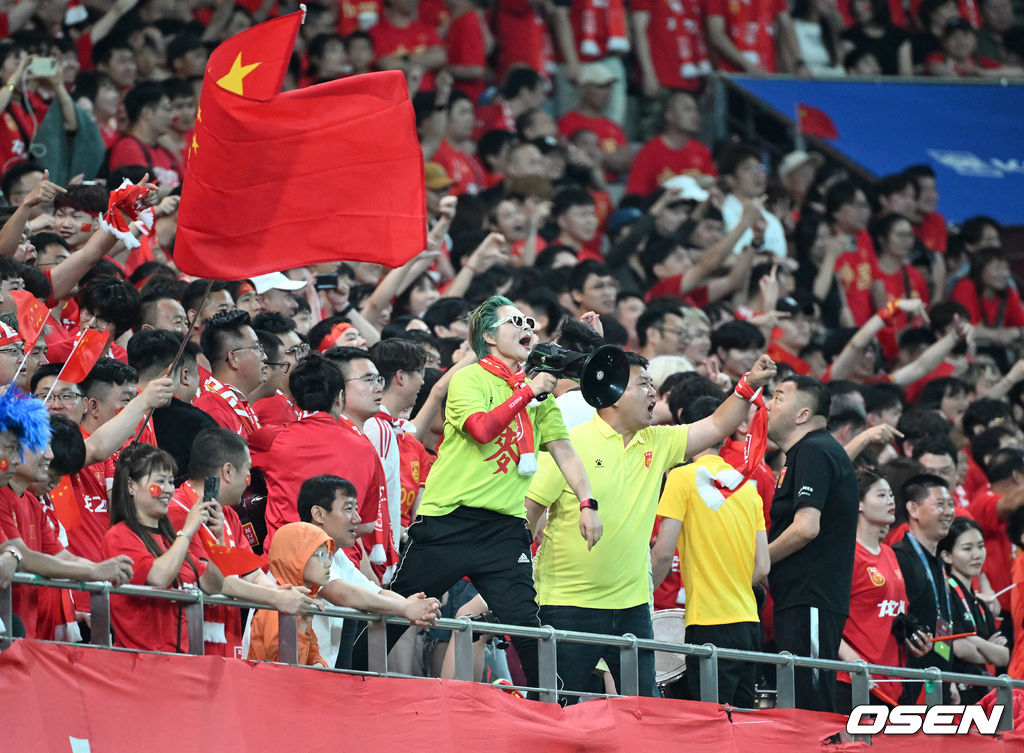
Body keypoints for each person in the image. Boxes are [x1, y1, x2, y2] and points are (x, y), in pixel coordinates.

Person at [380, 296, 596, 692]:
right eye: (515, 321)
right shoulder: (470, 378)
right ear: (489, 336)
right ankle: (346, 679)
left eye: (529, 319)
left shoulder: (537, 393)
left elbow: (565, 452)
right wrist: (528, 393)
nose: (527, 326)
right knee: (396, 611)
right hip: (449, 520)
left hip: (504, 528)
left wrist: (587, 501)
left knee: (528, 628)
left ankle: (555, 708)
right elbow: (481, 429)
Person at [649, 393, 773, 706]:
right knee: (743, 724)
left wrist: (641, 595)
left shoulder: (681, 477)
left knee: (710, 722)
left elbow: (663, 553)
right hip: (748, 624)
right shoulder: (747, 488)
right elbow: (762, 568)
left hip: (708, 624)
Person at [168, 428, 317, 658]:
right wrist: (277, 599)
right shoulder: (176, 513)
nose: (249, 481)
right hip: (186, 646)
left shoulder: (229, 516)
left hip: (228, 645)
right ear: (228, 471)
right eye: (247, 471)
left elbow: (251, 574)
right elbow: (216, 583)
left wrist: (283, 590)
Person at [766, 374, 859, 713]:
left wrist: (757, 563)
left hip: (811, 598)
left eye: (777, 397)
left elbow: (806, 527)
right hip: (801, 598)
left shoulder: (814, 450)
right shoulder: (809, 451)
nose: (767, 404)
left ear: (802, 415)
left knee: (811, 705)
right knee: (800, 699)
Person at [300, 474, 441, 669]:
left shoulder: (337, 556)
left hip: (315, 670)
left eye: (356, 509)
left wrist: (416, 606)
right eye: (349, 509)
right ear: (318, 514)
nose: (358, 519)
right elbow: (342, 594)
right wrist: (404, 609)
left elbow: (376, 591)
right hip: (285, 670)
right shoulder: (302, 544)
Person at [101, 443, 224, 653]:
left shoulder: (170, 541)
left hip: (180, 662)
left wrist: (217, 540)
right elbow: (159, 577)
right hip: (141, 662)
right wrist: (188, 530)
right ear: (131, 486)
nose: (168, 490)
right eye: (160, 482)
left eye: (170, 482)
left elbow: (214, 585)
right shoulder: (119, 536)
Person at [836, 469, 931, 712]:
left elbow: (893, 615)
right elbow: (827, 622)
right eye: (881, 495)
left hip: (894, 683)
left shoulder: (890, 553)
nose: (890, 501)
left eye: (891, 495)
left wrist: (914, 639)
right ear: (858, 503)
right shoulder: (846, 554)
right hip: (855, 683)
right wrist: (855, 663)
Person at [891, 473, 956, 701]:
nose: (949, 512)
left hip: (939, 677)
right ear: (913, 509)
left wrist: (950, 678)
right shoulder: (899, 558)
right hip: (911, 682)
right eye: (940, 504)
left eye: (951, 504)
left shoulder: (938, 561)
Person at [938, 516, 1009, 703]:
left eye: (980, 546)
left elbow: (1003, 656)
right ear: (947, 556)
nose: (977, 554)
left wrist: (973, 639)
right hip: (958, 695)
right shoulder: (946, 594)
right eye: (967, 548)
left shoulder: (980, 603)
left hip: (981, 692)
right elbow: (959, 649)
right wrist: (988, 648)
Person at [247, 522, 333, 666]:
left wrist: (320, 665)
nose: (328, 563)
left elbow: (314, 655)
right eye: (321, 555)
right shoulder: (275, 609)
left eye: (328, 555)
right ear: (296, 558)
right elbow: (283, 670)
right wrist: (303, 624)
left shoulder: (301, 602)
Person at [194, 310, 267, 439]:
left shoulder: (234, 402)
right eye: (257, 348)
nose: (264, 357)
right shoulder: (213, 410)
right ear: (234, 358)